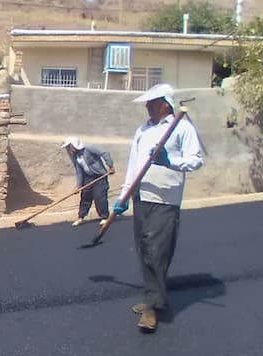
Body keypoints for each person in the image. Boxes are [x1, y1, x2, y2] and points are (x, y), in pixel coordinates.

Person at [112, 84, 204, 332]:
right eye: (147, 103)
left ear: (165, 103)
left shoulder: (181, 127)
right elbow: (134, 164)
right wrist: (123, 196)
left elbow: (196, 160)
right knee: (144, 249)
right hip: (141, 196)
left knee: (156, 250)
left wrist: (169, 161)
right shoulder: (143, 129)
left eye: (152, 103)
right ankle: (154, 296)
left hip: (166, 199)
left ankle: (153, 308)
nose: (147, 107)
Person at [61, 136, 114, 227]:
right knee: (85, 197)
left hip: (99, 176)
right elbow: (79, 172)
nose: (68, 149)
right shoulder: (75, 157)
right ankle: (81, 217)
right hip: (88, 177)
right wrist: (78, 185)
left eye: (69, 147)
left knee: (99, 196)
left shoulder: (89, 149)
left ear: (74, 145)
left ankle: (104, 217)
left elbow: (104, 153)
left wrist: (110, 165)